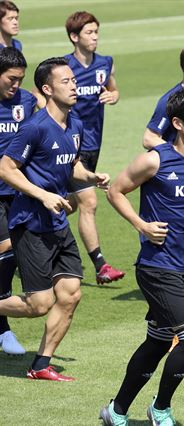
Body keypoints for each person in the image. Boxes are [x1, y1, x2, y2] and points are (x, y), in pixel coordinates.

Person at [100, 87, 184, 426]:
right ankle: (160, 408)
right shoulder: (155, 159)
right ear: (177, 122)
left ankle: (116, 410)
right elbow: (116, 191)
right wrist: (141, 225)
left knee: (158, 342)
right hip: (157, 267)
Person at [0, 57, 109, 381]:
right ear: (47, 89)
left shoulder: (75, 124)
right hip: (31, 225)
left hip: (58, 225)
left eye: (74, 80)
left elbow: (69, 163)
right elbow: (5, 167)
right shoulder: (34, 127)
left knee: (72, 293)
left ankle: (40, 365)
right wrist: (42, 195)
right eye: (66, 82)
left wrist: (90, 176)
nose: (74, 85)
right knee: (39, 304)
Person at [61, 11, 124, 284]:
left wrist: (114, 95)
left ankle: (24, 232)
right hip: (72, 146)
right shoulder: (63, 67)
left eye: (97, 31)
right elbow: (41, 97)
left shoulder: (105, 63)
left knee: (69, 203)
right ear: (75, 37)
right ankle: (101, 265)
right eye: (89, 32)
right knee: (89, 201)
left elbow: (113, 88)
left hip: (94, 144)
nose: (95, 36)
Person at [0, 47, 36, 355]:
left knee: (16, 252)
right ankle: (3, 327)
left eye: (20, 80)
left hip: (18, 191)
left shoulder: (27, 102)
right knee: (7, 249)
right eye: (11, 79)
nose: (16, 85)